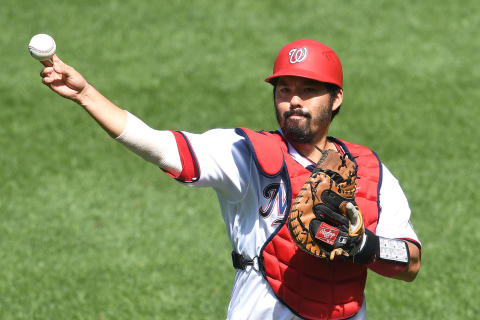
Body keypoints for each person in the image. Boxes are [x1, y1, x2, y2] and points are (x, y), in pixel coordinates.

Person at [38, 39, 421, 320]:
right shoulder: (247, 153)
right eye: (284, 90)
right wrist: (86, 94)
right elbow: (160, 146)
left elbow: (410, 261)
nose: (294, 101)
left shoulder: (369, 169)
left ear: (335, 99)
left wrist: (364, 246)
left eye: (308, 91)